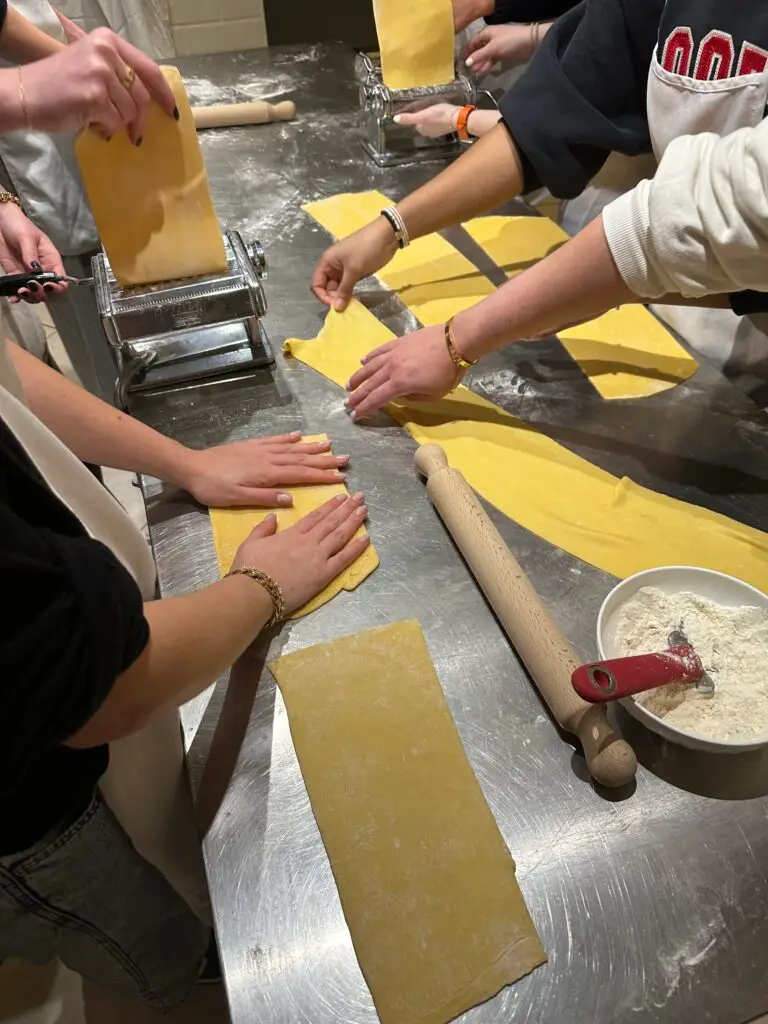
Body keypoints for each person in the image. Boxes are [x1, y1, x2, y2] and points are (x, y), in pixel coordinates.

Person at [313, 0, 768, 402]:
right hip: (682, 304)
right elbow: (553, 114)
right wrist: (393, 226)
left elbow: (726, 209)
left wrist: (459, 341)